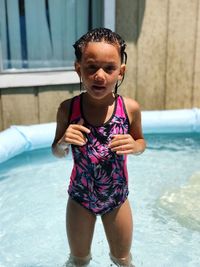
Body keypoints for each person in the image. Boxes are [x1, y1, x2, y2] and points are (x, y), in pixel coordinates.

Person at [52, 27, 146, 267]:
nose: (100, 75)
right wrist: (63, 141)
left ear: (121, 72)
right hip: (80, 198)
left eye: (109, 68)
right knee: (79, 260)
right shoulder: (68, 109)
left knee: (122, 259)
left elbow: (141, 142)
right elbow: (57, 151)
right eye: (91, 67)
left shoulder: (130, 109)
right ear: (78, 68)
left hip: (116, 199)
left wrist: (134, 146)